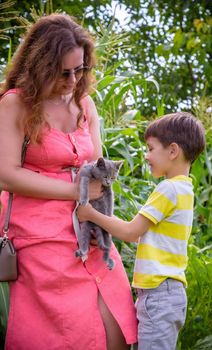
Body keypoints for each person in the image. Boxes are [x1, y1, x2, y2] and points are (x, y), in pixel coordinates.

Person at [0, 13, 137, 350]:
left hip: (88, 227)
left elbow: (98, 168)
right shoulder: (16, 103)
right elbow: (5, 174)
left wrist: (97, 199)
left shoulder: (84, 104)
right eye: (64, 72)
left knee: (117, 323)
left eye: (81, 70)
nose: (74, 80)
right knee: (65, 330)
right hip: (38, 232)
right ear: (40, 66)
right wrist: (75, 190)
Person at [77, 112, 206, 350]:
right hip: (166, 294)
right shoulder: (184, 189)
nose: (146, 156)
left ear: (173, 151)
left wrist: (91, 214)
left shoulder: (168, 189)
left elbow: (129, 231)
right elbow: (139, 234)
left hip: (159, 294)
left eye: (150, 148)